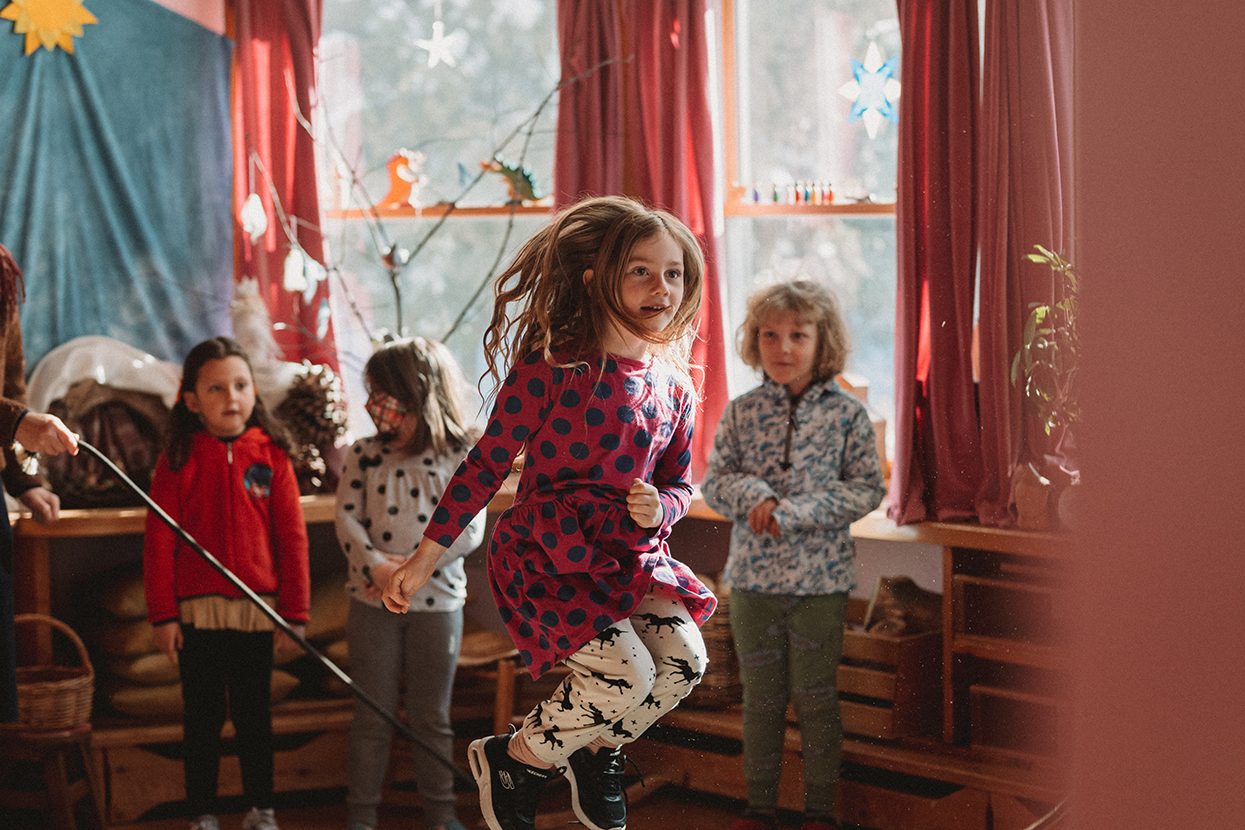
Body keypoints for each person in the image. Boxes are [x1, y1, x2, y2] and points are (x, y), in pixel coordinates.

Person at [382, 195, 718, 830]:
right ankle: (517, 757)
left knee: (683, 663)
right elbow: (484, 464)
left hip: (628, 556)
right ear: (597, 281)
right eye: (640, 270)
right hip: (549, 556)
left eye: (673, 273)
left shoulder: (674, 389)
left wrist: (662, 507)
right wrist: (426, 556)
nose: (661, 287)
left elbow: (680, 484)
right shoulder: (552, 368)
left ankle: (597, 753)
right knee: (626, 672)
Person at [700, 280, 886, 830]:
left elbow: (866, 489)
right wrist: (755, 497)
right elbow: (716, 484)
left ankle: (819, 814)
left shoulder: (848, 415)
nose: (782, 347)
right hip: (753, 585)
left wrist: (793, 511)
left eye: (798, 336)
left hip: (820, 586)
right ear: (754, 341)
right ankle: (758, 809)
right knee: (760, 702)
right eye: (770, 335)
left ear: (821, 340)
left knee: (816, 701)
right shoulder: (741, 411)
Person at [143, 336, 310, 830]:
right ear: (191, 400)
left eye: (240, 385)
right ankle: (203, 814)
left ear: (254, 391)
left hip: (258, 610)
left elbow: (292, 537)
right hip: (197, 612)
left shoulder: (272, 456)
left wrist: (295, 612)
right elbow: (158, 542)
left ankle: (262, 809)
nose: (231, 397)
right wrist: (163, 613)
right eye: (216, 389)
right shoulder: (177, 458)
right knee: (203, 718)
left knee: (255, 717)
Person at [335, 336, 486, 830]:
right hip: (371, 601)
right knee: (371, 716)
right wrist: (380, 568)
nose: (372, 404)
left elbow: (469, 527)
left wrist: (418, 564)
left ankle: (441, 817)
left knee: (431, 717)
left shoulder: (459, 456)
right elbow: (347, 519)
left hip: (439, 605)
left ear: (416, 393)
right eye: (370, 392)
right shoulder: (363, 454)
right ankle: (361, 818)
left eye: (382, 392)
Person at [0, 244, 80, 724]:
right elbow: (14, 412)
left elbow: (11, 386)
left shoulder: (1, 274)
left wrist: (22, 478)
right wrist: (18, 422)